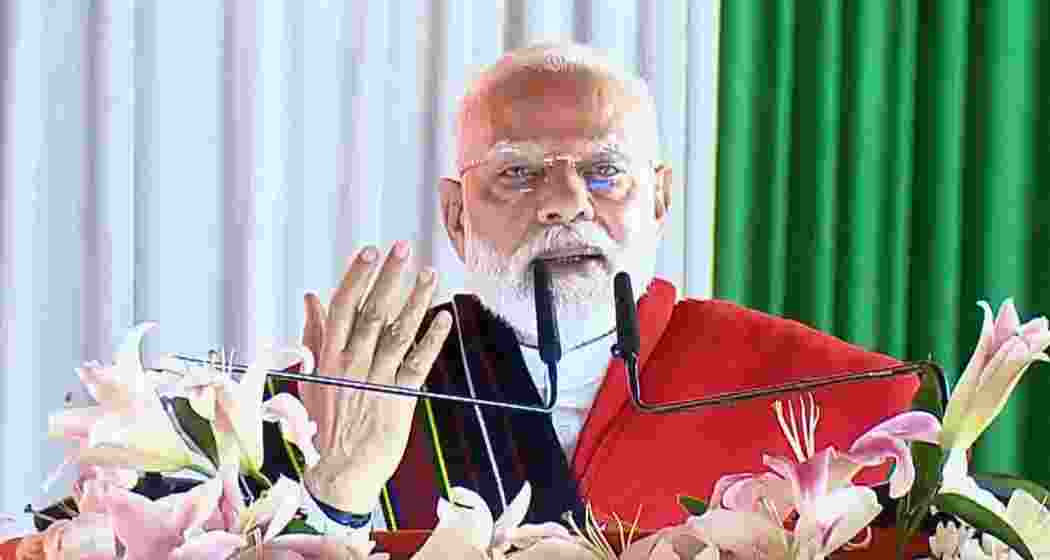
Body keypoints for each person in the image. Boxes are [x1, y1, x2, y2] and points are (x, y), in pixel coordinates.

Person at [280, 42, 919, 533]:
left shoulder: (837, 400)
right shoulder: (337, 399)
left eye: (605, 172)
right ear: (456, 218)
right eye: (518, 172)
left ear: (661, 200)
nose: (564, 202)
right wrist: (338, 496)